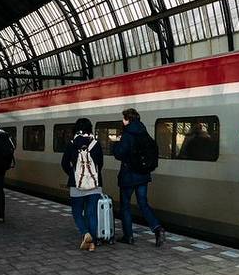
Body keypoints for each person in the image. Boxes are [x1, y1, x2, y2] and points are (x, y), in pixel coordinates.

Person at [112, 108, 165, 246]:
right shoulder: (144, 132)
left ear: (128, 120)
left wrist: (116, 143)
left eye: (124, 118)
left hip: (129, 176)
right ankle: (157, 228)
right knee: (143, 204)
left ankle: (128, 236)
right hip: (142, 175)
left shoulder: (127, 134)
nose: (122, 121)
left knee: (125, 206)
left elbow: (119, 153)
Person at [61, 118, 103, 252]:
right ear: (90, 128)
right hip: (94, 184)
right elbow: (100, 164)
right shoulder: (96, 144)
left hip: (76, 184)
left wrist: (73, 174)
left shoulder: (71, 144)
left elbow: (64, 163)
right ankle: (92, 243)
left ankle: (85, 233)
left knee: (77, 212)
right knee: (92, 214)